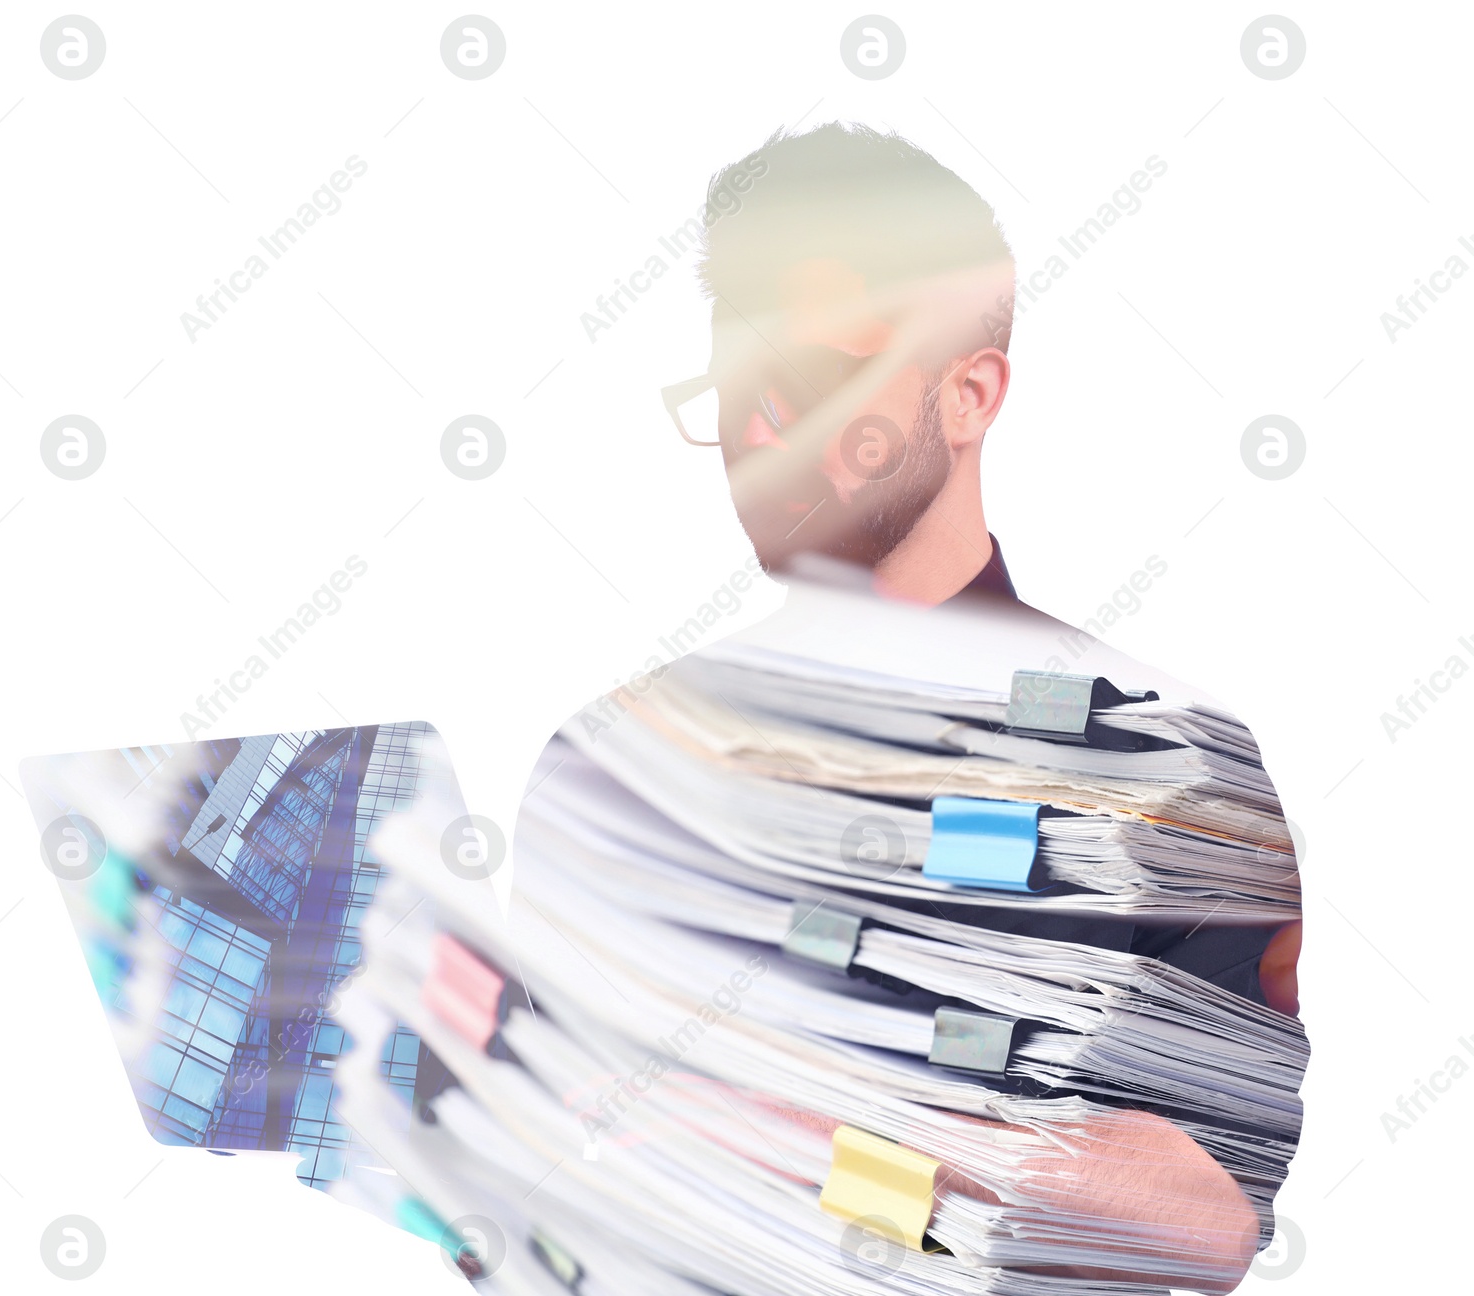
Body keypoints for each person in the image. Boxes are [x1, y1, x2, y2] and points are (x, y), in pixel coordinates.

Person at [519, 122, 1300, 1290]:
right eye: (738, 388)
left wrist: (815, 1139)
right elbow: (550, 1161)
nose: (764, 434)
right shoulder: (611, 765)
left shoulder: (1165, 764)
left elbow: (1206, 1215)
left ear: (969, 395)